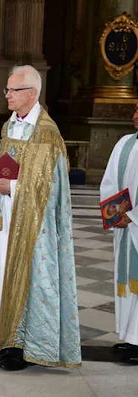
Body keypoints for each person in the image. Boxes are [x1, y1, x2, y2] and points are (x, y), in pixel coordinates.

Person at [0, 65, 81, 371]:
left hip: (33, 226)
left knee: (27, 280)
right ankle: (4, 339)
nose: (6, 96)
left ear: (30, 93)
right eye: (7, 90)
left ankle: (23, 347)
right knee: (2, 276)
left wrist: (11, 186)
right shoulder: (11, 126)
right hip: (5, 218)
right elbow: (9, 164)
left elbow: (48, 185)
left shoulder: (45, 132)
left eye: (12, 90)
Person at [99, 101, 138, 365]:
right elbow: (110, 180)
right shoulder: (124, 143)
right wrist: (114, 213)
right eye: (135, 110)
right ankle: (131, 337)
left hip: (133, 222)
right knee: (127, 283)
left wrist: (132, 216)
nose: (134, 115)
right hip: (125, 228)